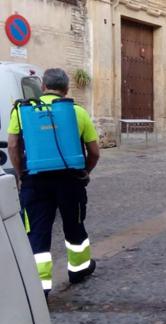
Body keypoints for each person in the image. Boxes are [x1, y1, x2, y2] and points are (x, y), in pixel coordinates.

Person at [7, 68, 100, 297]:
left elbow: (13, 147)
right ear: (66, 89)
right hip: (70, 181)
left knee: (37, 232)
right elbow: (94, 152)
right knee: (74, 226)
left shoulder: (22, 111)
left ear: (43, 87)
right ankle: (78, 270)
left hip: (35, 182)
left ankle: (40, 288)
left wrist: (21, 174)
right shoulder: (77, 112)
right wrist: (84, 172)